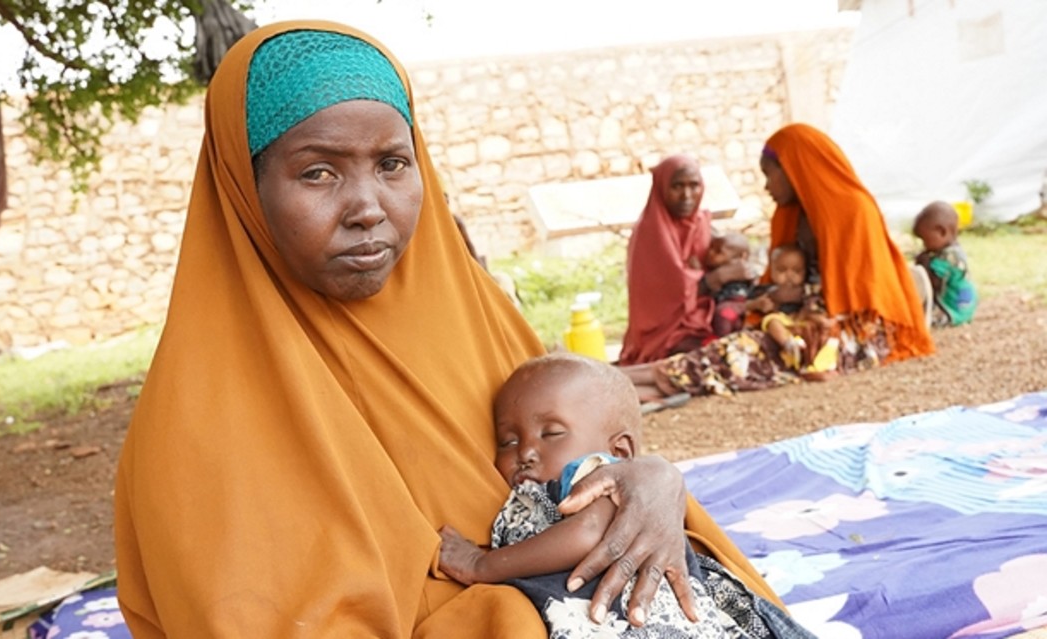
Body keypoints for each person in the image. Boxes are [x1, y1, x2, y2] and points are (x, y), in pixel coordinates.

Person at [114, 21, 781, 637]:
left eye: (392, 164)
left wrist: (653, 482)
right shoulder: (198, 424)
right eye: (317, 172)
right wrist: (508, 609)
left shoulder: (474, 318)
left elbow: (585, 455)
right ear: (245, 186)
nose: (367, 207)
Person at [437, 353, 812, 638]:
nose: (526, 452)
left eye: (551, 434)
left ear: (619, 451)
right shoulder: (527, 494)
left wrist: (481, 565)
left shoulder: (596, 476)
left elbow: (588, 533)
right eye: (508, 441)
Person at [620, 123, 933, 399]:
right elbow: (778, 281)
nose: (767, 186)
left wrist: (803, 307)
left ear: (796, 168)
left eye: (770, 175)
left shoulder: (852, 212)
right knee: (743, 342)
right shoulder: (790, 215)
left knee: (747, 352)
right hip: (801, 318)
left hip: (855, 331)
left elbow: (859, 300)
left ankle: (635, 380)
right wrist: (769, 302)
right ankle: (639, 381)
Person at [617, 155, 755, 365]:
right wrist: (717, 277)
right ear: (662, 188)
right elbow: (669, 297)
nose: (687, 195)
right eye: (677, 186)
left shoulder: (701, 224)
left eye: (694, 185)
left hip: (705, 315)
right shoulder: (650, 233)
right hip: (665, 331)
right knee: (712, 357)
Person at [747, 245, 840, 377]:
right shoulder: (766, 290)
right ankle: (789, 344)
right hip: (781, 320)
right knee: (771, 321)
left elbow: (812, 307)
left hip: (800, 319)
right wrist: (757, 304)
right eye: (782, 270)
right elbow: (746, 304)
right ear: (771, 270)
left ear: (805, 272)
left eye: (797, 271)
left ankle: (820, 358)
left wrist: (815, 317)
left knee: (819, 321)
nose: (789, 275)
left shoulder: (807, 290)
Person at [912, 200, 978, 327]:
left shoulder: (948, 258)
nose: (924, 245)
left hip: (951, 311)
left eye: (925, 240)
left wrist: (924, 264)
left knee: (916, 319)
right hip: (965, 308)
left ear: (941, 232)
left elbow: (932, 282)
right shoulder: (956, 252)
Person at [703, 232, 756, 336]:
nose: (711, 253)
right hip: (728, 307)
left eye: (718, 251)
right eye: (711, 248)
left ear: (740, 258)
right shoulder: (714, 271)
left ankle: (721, 340)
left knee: (723, 315)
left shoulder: (744, 272)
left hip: (736, 305)